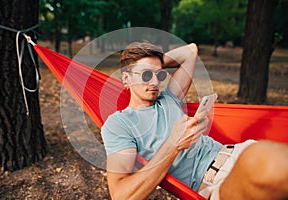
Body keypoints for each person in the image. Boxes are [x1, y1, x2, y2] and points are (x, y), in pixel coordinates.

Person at [101, 41, 288, 200]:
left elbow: (190, 51)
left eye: (159, 75)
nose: (154, 82)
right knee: (272, 163)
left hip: (236, 151)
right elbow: (121, 194)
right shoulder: (120, 124)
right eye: (147, 76)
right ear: (125, 78)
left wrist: (153, 64)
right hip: (217, 181)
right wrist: (174, 144)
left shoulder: (169, 98)